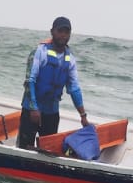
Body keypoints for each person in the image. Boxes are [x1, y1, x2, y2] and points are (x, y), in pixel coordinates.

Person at [17, 16, 89, 150]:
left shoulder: (70, 59)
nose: (63, 35)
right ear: (52, 32)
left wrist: (83, 115)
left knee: (48, 150)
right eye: (60, 31)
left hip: (51, 112)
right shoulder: (40, 52)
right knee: (24, 147)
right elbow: (30, 81)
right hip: (31, 110)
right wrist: (34, 107)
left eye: (66, 32)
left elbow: (74, 89)